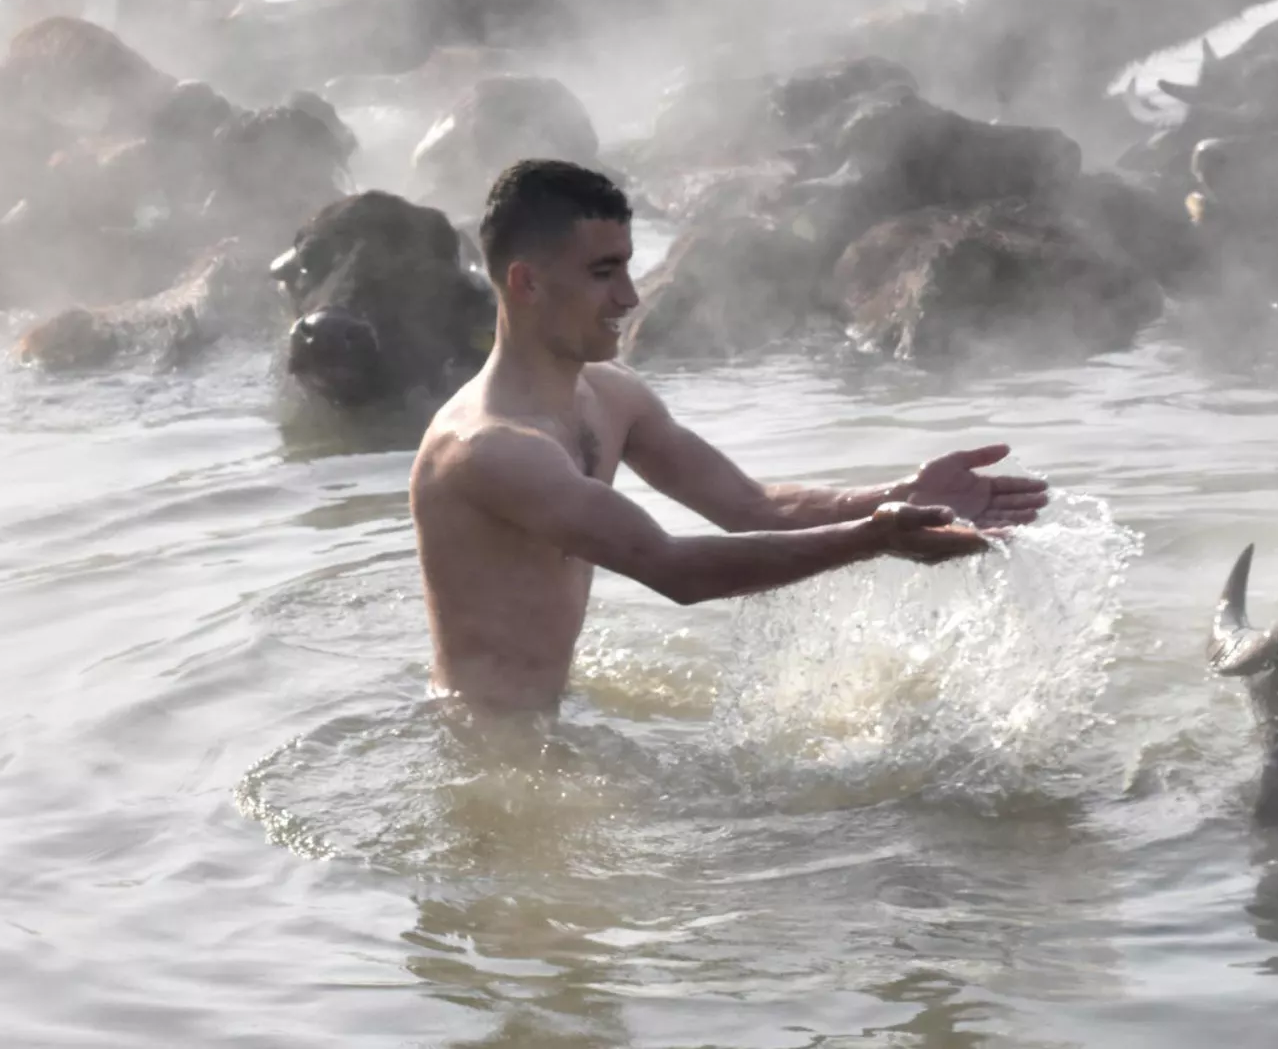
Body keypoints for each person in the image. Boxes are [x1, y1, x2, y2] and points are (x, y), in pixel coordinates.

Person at [409, 159, 1051, 715]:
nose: (631, 297)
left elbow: (751, 507)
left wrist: (898, 493)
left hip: (556, 715)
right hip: (486, 747)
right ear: (527, 283)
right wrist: (873, 540)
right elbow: (674, 570)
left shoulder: (612, 395)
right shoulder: (489, 448)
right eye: (604, 272)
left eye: (629, 267)